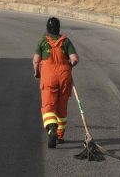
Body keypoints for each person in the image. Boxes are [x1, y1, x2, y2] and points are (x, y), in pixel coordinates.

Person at [32, 16, 79, 148]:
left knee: (48, 106)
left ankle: (51, 128)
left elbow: (36, 60)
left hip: (48, 77)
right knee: (61, 107)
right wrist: (69, 66)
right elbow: (74, 59)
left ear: (47, 28)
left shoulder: (42, 41)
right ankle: (59, 136)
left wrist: (36, 72)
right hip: (64, 76)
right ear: (59, 28)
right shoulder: (66, 41)